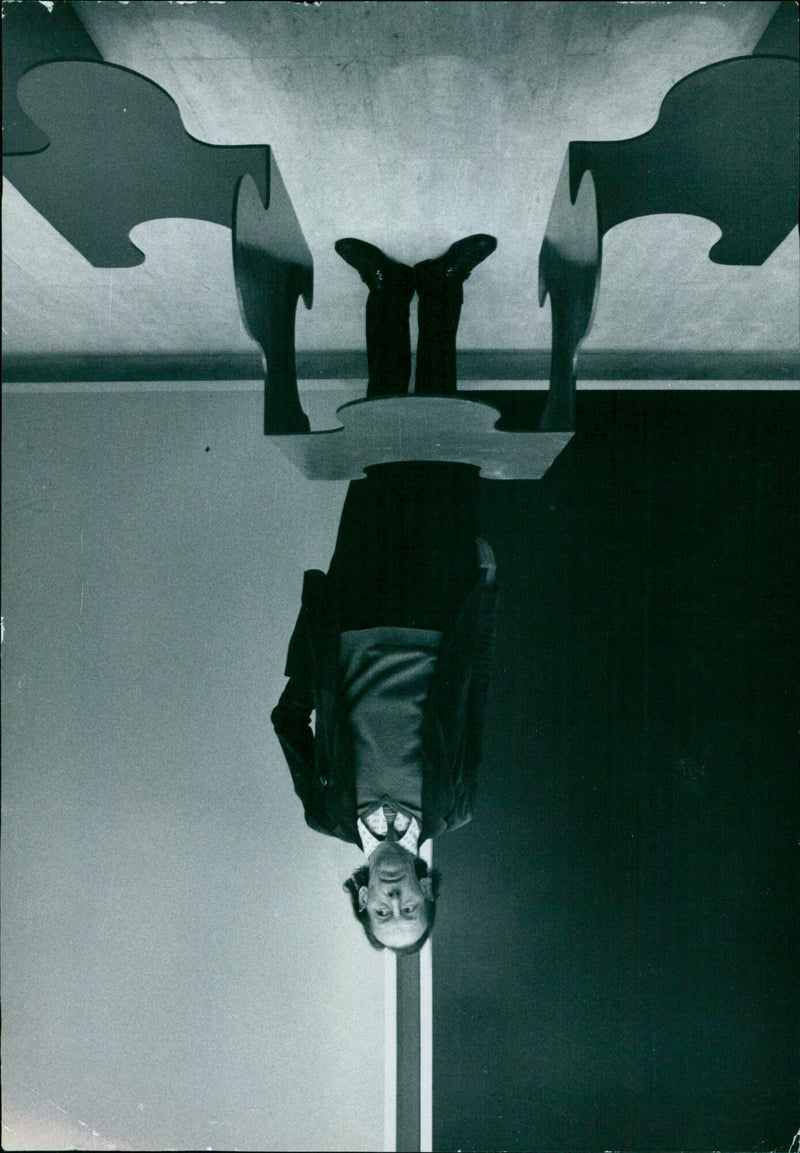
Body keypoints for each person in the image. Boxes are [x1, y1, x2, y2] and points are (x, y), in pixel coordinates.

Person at [271, 234, 499, 953]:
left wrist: (317, 638)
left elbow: (287, 718)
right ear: (429, 889)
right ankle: (441, 290)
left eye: (384, 911)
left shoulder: (326, 812)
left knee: (379, 448)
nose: (397, 899)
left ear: (363, 897)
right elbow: (475, 692)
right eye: (410, 910)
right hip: (438, 608)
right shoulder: (455, 808)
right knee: (436, 445)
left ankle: (385, 289)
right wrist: (482, 592)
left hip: (359, 609)